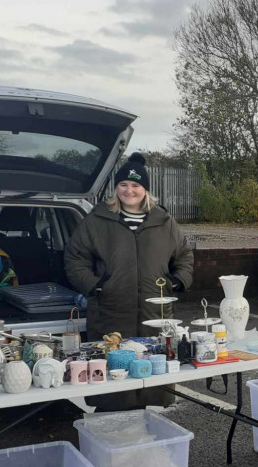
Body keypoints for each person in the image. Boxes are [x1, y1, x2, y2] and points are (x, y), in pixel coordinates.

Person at [65, 153, 193, 408]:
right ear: (117, 188)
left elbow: (184, 255)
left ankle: (154, 429)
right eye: (124, 184)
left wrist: (177, 281)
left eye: (136, 185)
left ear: (145, 190)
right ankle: (115, 433)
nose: (129, 190)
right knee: (114, 385)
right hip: (111, 313)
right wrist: (95, 285)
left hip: (155, 315)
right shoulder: (98, 220)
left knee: (155, 378)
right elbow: (74, 257)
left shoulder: (164, 222)